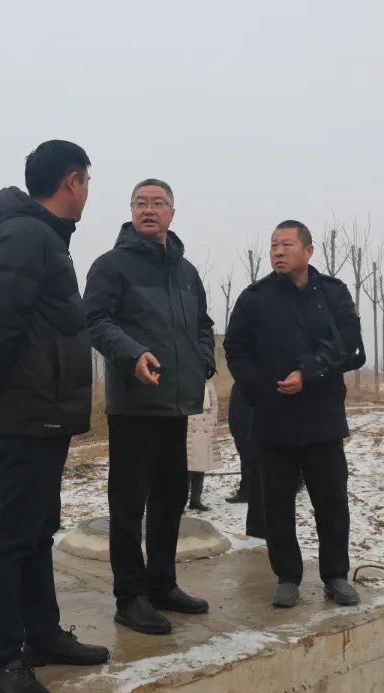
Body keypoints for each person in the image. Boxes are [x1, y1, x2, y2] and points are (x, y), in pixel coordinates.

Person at [0, 140, 109, 693]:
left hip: (43, 412)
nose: (87, 193)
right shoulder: (27, 235)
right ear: (72, 181)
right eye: (87, 182)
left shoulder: (42, 236)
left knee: (36, 529)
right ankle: (4, 659)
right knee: (10, 537)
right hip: (26, 412)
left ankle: (42, 634)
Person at [83, 178, 215, 636]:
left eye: (158, 203)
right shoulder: (111, 266)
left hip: (177, 406)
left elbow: (202, 324)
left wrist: (203, 361)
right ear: (131, 210)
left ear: (172, 212)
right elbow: (94, 320)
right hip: (134, 407)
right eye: (141, 203)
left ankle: (162, 583)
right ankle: (130, 596)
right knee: (128, 504)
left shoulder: (186, 271)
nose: (149, 209)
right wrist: (132, 355)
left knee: (170, 498)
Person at [224, 220, 366, 610]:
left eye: (287, 245)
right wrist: (257, 390)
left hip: (322, 416)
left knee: (331, 499)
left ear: (308, 250)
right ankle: (287, 576)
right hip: (273, 417)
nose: (278, 252)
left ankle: (335, 574)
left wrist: (308, 372)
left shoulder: (333, 294)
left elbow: (349, 342)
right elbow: (236, 349)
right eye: (274, 246)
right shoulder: (255, 298)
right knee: (277, 503)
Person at [227, 382, 265, 538]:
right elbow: (234, 415)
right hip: (243, 434)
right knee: (247, 463)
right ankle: (244, 491)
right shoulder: (239, 386)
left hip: (254, 435)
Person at [186, 380, 220, 512]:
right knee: (186, 468)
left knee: (200, 467)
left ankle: (195, 499)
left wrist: (212, 422)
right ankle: (180, 501)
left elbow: (214, 403)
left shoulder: (207, 382)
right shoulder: (184, 378)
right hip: (189, 426)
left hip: (204, 426)